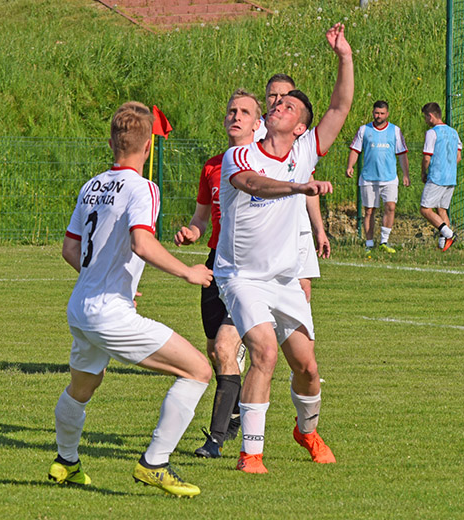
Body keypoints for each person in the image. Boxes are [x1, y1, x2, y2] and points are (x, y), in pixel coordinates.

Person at [49, 101, 213, 498]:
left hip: (81, 306)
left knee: (82, 389)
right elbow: (142, 242)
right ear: (148, 147)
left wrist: (108, 280)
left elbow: (71, 251)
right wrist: (188, 271)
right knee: (198, 371)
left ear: (111, 143)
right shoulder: (143, 188)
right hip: (108, 312)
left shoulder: (92, 185)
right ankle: (154, 463)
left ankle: (66, 462)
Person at [215, 23, 353, 474]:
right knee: (264, 353)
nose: (278, 106)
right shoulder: (242, 152)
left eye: (288, 105)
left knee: (308, 369)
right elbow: (252, 183)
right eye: (275, 101)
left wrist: (343, 56)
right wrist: (297, 187)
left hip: (284, 278)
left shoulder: (306, 150)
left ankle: (307, 431)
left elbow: (340, 106)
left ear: (300, 127)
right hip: (241, 276)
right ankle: (250, 454)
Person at [174, 89, 262, 459]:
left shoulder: (265, 165)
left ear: (258, 124)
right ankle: (237, 411)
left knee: (227, 348)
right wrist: (191, 232)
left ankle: (215, 439)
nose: (235, 116)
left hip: (248, 268)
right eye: (231, 111)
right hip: (215, 264)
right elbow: (201, 217)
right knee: (215, 350)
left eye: (244, 112)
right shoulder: (212, 166)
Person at [255, 73, 331, 302]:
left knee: (301, 292)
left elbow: (309, 187)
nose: (277, 100)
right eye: (272, 95)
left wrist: (319, 229)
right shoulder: (253, 131)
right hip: (264, 230)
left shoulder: (303, 136)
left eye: (284, 96)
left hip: (298, 228)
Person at [345, 100, 410, 253]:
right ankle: (369, 244)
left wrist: (405, 174)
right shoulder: (364, 130)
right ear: (373, 113)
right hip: (369, 178)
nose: (378, 116)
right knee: (369, 211)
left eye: (382, 113)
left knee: (390, 207)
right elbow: (355, 150)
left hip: (389, 178)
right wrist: (350, 166)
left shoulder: (395, 130)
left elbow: (402, 154)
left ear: (387, 114)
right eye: (376, 113)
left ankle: (384, 242)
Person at [419, 102, 462, 251]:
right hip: (451, 178)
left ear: (430, 116)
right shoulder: (453, 132)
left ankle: (449, 234)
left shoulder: (432, 133)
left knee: (425, 209)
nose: (425, 120)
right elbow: (458, 156)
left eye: (425, 117)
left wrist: (424, 172)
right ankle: (443, 247)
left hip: (437, 177)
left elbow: (426, 157)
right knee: (442, 210)